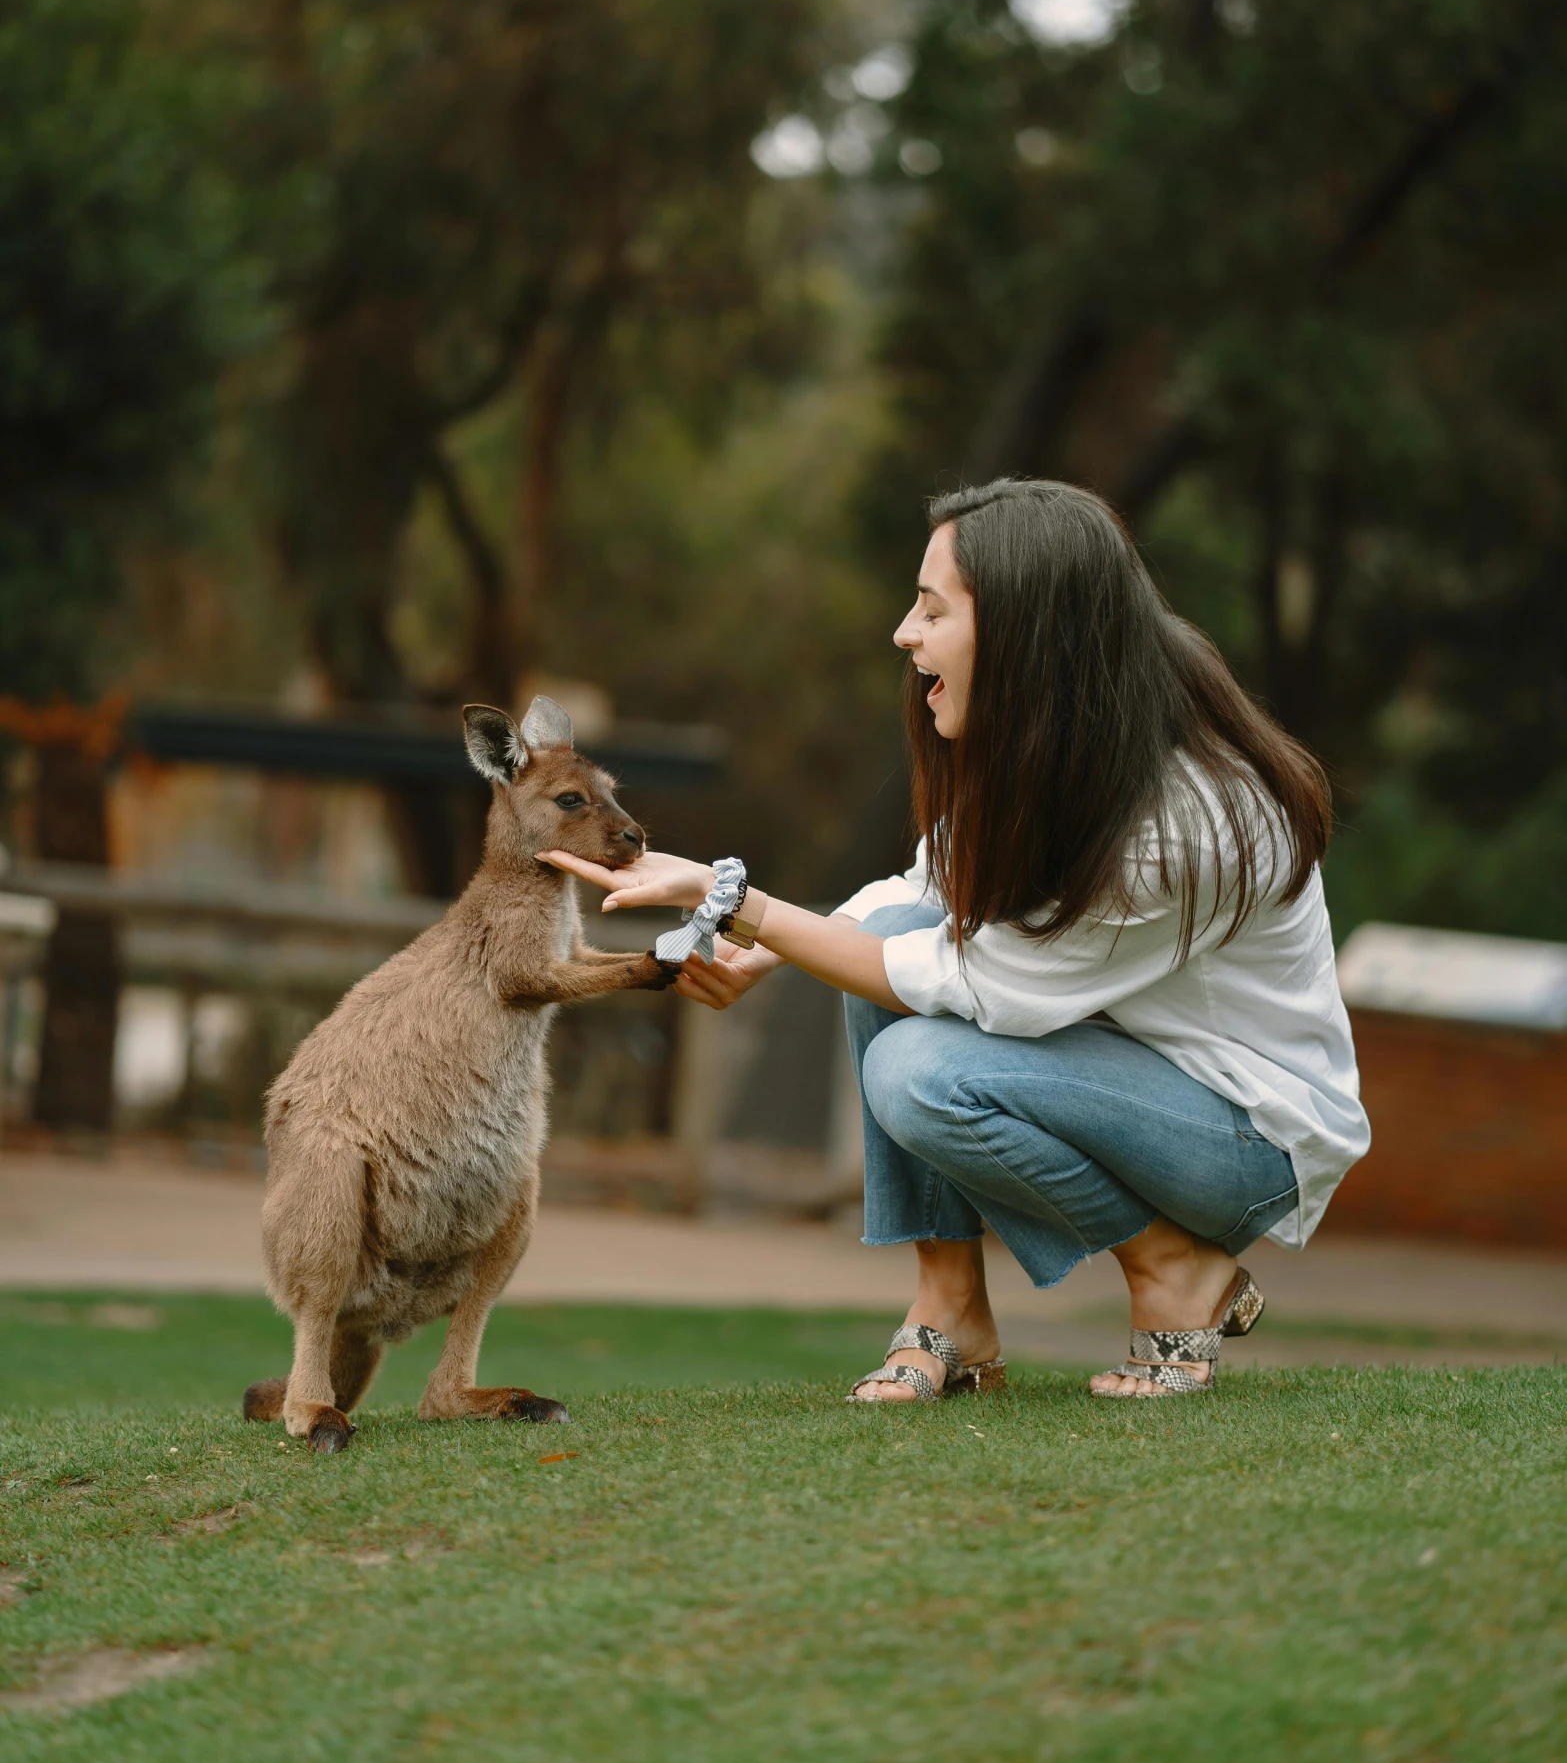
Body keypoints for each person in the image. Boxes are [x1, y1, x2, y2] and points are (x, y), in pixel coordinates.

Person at [544, 478, 1369, 1402]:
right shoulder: (1075, 743)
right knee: (890, 942)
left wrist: (738, 901)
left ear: (1023, 632)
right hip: (1124, 1078)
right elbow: (918, 896)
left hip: (1246, 1134)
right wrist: (764, 948)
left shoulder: (1189, 819)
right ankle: (952, 1310)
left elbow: (979, 985)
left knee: (922, 1073)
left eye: (932, 609)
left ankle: (1174, 1268)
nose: (904, 632)